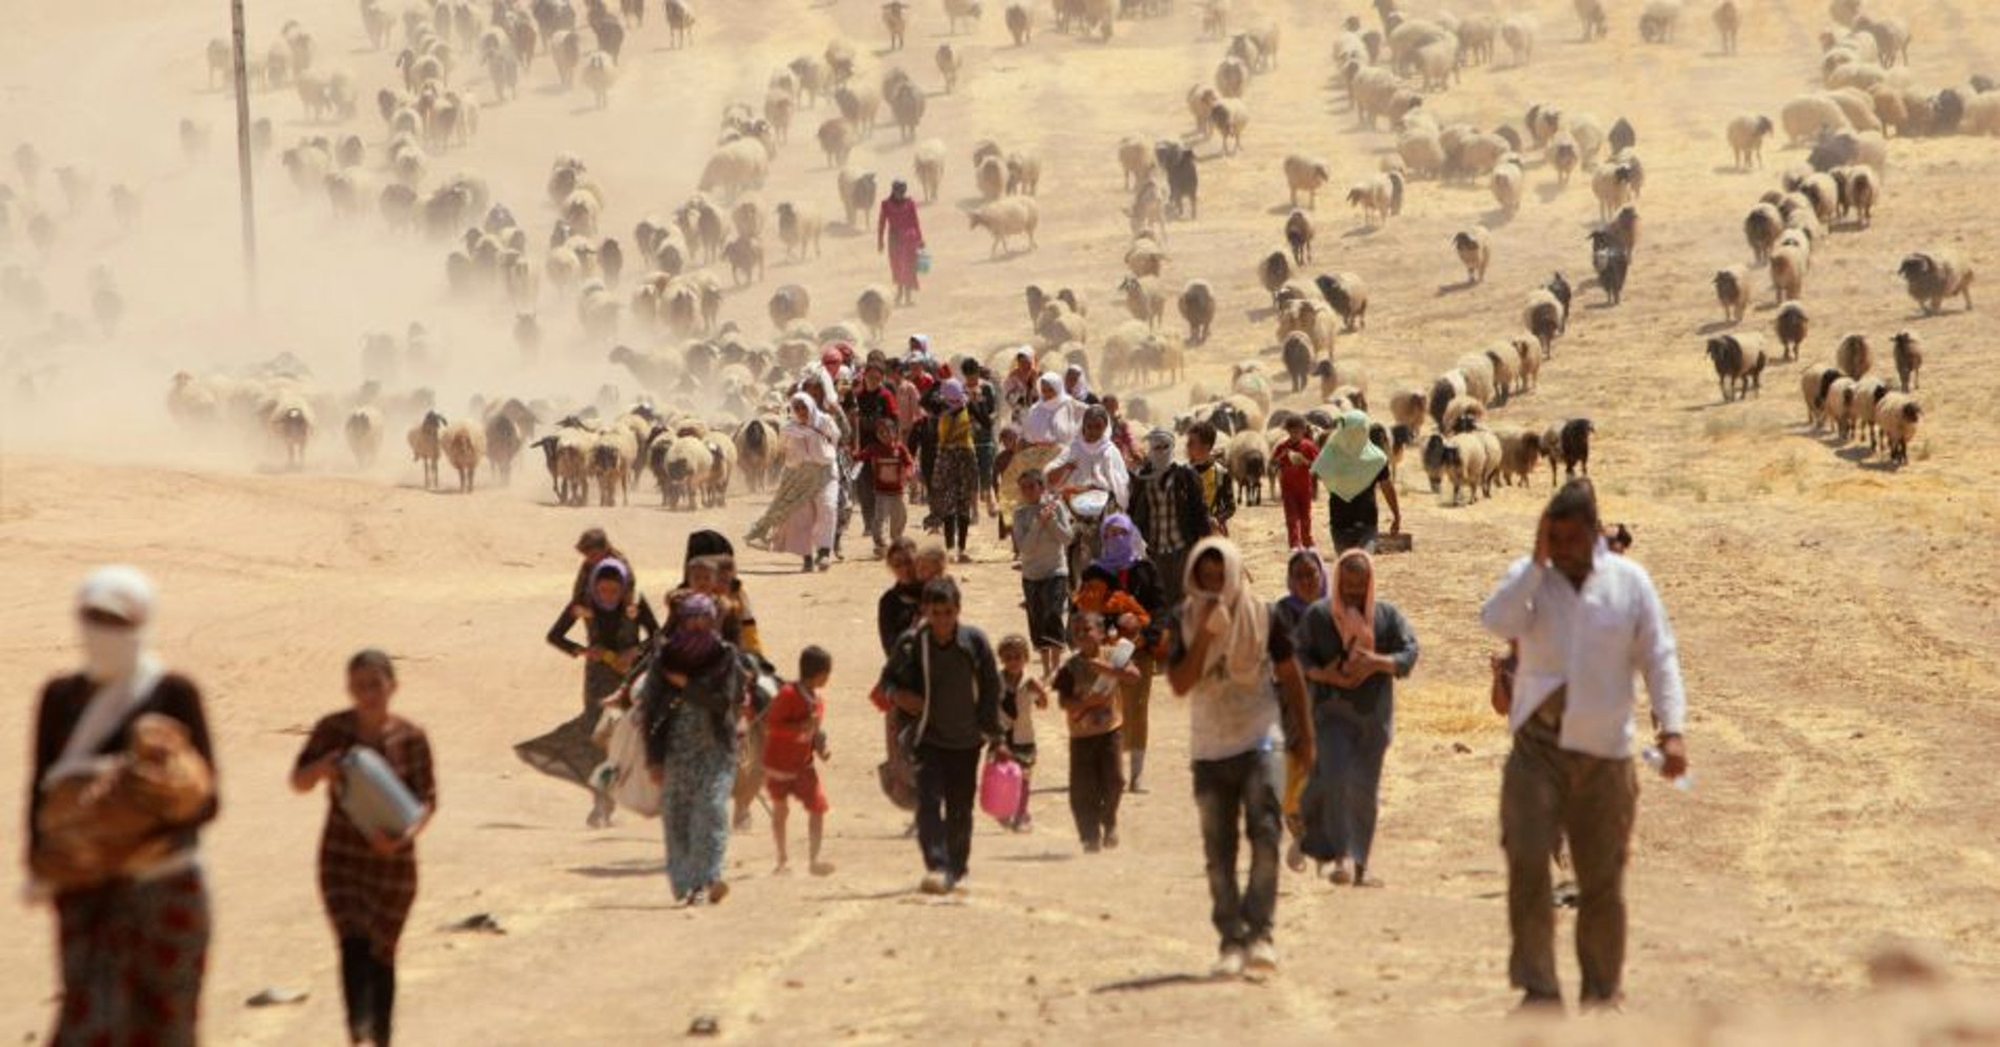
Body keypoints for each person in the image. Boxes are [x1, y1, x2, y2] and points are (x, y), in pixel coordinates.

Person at [1479, 480, 1689, 1012]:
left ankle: (1601, 991)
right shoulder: (1532, 581)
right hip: (1537, 749)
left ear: (1594, 532)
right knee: (1527, 862)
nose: (1564, 549)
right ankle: (1539, 990)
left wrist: (1672, 730)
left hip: (1605, 753)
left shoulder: (1629, 583)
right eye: (1554, 538)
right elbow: (1496, 620)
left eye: (1572, 537)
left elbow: (1659, 655)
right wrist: (1534, 563)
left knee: (1601, 878)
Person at [28, 567, 217, 1047]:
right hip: (85, 890)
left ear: (143, 622)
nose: (104, 632)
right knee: (86, 1026)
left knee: (166, 1028)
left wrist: (134, 825)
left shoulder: (173, 693)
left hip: (165, 887)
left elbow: (208, 801)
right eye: (95, 619)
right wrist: (42, 862)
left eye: (118, 621)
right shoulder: (60, 698)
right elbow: (40, 792)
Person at [1165, 539, 1314, 977]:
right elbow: (1180, 683)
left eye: (1221, 576)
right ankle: (1231, 939)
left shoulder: (1264, 615)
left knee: (1266, 835)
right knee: (1219, 851)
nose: (1215, 584)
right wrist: (1206, 634)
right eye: (1206, 577)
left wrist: (1305, 735)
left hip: (1260, 738)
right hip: (1210, 746)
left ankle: (1260, 933)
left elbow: (1290, 675)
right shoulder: (1184, 619)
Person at [291, 650, 438, 1047]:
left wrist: (401, 840)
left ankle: (381, 1037)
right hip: (342, 858)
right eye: (360, 686)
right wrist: (321, 768)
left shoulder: (411, 737)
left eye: (376, 684)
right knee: (352, 940)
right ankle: (358, 1035)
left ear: (393, 686)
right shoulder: (332, 730)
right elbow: (298, 782)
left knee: (383, 953)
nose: (368, 694)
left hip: (395, 865)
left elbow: (427, 802)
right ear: (349, 689)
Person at [1293, 550, 1418, 888]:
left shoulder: (1386, 617)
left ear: (1370, 584)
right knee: (1335, 779)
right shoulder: (1319, 617)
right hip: (1331, 715)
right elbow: (1298, 654)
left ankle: (1360, 863)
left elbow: (1409, 652)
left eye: (1360, 586)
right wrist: (1325, 674)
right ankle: (1341, 857)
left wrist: (1377, 663)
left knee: (1364, 791)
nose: (1353, 593)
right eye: (1347, 586)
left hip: (1373, 718)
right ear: (1337, 583)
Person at [876, 578, 1003, 894]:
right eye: (936, 613)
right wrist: (898, 695)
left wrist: (994, 734)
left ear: (958, 610)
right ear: (925, 612)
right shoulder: (911, 644)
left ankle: (958, 869)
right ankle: (937, 866)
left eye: (948, 612)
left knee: (960, 807)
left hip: (967, 740)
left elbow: (991, 687)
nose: (943, 620)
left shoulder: (974, 643)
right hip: (927, 738)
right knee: (929, 803)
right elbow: (888, 680)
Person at [643, 592, 747, 905]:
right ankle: (685, 882)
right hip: (676, 750)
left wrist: (686, 686)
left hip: (715, 748)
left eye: (704, 618)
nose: (698, 625)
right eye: (691, 618)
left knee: (711, 810)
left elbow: (723, 703)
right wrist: (653, 759)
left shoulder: (725, 656)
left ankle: (707, 880)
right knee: (678, 817)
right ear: (681, 620)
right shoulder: (665, 658)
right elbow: (651, 709)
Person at [539, 558, 657, 827]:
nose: (608, 596)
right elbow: (555, 636)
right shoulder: (584, 604)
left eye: (614, 590)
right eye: (602, 590)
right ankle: (601, 804)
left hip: (630, 678)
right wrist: (583, 650)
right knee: (599, 738)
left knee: (628, 737)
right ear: (594, 587)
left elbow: (658, 636)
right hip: (598, 681)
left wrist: (635, 651)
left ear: (624, 588)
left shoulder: (636, 605)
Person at [1080, 512, 1166, 792]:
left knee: (1137, 710)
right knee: (1105, 709)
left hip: (1139, 650)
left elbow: (1160, 609)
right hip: (1104, 652)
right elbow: (1084, 611)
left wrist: (1145, 636)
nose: (1115, 538)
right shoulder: (1094, 573)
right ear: (1103, 537)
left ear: (1131, 535)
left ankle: (1136, 773)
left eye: (1121, 533)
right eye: (1110, 533)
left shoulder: (1146, 569)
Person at [1054, 613, 1137, 852]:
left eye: (1087, 629)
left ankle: (1108, 820)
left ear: (1101, 633)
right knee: (1082, 788)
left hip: (1110, 730)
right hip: (1081, 736)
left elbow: (1134, 676)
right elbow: (1064, 701)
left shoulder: (1113, 656)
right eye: (1076, 631)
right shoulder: (1070, 666)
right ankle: (1089, 836)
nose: (1081, 635)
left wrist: (1107, 669)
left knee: (1115, 780)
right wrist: (1085, 704)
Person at [748, 392, 842, 571]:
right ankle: (807, 557)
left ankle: (824, 552)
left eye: (804, 407)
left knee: (827, 507)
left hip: (825, 472)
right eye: (797, 408)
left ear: (810, 406)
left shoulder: (825, 421)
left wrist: (823, 455)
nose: (801, 412)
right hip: (799, 475)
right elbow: (782, 449)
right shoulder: (789, 429)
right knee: (801, 516)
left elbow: (836, 438)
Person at [765, 646, 835, 876]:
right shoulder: (787, 695)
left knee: (818, 807)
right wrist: (799, 727)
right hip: (779, 763)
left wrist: (821, 748)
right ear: (819, 674)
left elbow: (815, 732)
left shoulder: (818, 701)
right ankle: (781, 859)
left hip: (804, 765)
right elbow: (771, 725)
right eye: (827, 673)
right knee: (781, 809)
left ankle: (814, 860)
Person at [1128, 428, 1212, 608]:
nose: (1161, 451)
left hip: (1182, 547)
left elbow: (1200, 509)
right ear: (1150, 449)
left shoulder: (1186, 474)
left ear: (1172, 447)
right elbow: (1134, 510)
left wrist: (1205, 543)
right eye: (1156, 447)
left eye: (1165, 446)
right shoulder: (1143, 477)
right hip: (1155, 550)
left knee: (1183, 599)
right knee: (1160, 600)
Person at [1000, 374, 1083, 534]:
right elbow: (1025, 436)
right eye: (1043, 390)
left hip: (1062, 456)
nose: (1047, 394)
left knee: (1064, 494)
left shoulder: (1070, 406)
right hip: (1036, 457)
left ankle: (1067, 530)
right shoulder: (1035, 410)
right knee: (1032, 494)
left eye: (1051, 390)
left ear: (1058, 389)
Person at [1011, 468, 1075, 678]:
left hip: (1056, 570)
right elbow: (1025, 548)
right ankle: (1046, 668)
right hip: (1031, 574)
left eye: (1032, 486)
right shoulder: (1019, 514)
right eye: (1023, 487)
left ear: (1042, 487)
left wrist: (1052, 522)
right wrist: (1039, 523)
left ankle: (1056, 667)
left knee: (1053, 613)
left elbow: (1067, 539)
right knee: (1037, 620)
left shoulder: (1057, 508)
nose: (1028, 491)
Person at [1310, 409, 1402, 553]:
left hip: (1362, 525)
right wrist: (1396, 516)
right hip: (1343, 526)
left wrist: (1396, 516)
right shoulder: (1331, 456)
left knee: (1360, 563)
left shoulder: (1376, 460)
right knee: (1350, 564)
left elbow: (1387, 487)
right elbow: (1314, 476)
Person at [994, 635, 1048, 832]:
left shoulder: (1030, 682)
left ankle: (1020, 815)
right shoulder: (996, 680)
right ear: (1002, 659)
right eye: (1008, 658)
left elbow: (1042, 705)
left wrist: (1041, 693)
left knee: (1023, 779)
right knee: (1003, 777)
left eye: (1017, 657)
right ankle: (1005, 811)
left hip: (1024, 738)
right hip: (1001, 738)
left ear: (1025, 658)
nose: (1013, 662)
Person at [930, 378, 980, 561]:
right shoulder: (939, 407)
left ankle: (961, 548)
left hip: (963, 459)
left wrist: (975, 402)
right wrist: (937, 384)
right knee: (949, 505)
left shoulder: (968, 408)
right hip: (949, 459)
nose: (953, 403)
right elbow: (925, 401)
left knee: (963, 505)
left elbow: (985, 421)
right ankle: (951, 548)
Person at [857, 417, 914, 554]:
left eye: (887, 431)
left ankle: (896, 541)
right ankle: (880, 543)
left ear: (894, 432)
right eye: (880, 432)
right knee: (880, 518)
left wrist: (909, 473)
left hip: (898, 491)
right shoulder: (874, 448)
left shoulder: (900, 448)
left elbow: (909, 463)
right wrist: (851, 453)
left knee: (899, 517)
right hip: (881, 491)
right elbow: (860, 456)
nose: (884, 435)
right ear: (877, 434)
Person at [1272, 417, 1321, 549]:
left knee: (1306, 517)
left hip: (1304, 489)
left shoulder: (1309, 446)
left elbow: (1318, 464)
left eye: (1298, 432)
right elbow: (1273, 464)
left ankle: (1307, 542)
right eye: (1292, 432)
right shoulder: (1282, 446)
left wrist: (1305, 461)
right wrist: (1282, 456)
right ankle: (1294, 544)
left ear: (1303, 431)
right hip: (1288, 489)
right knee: (1291, 518)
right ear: (1288, 431)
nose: (1295, 435)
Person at [963, 359, 1003, 521]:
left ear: (977, 373)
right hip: (967, 436)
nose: (971, 380)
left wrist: (988, 420)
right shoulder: (962, 390)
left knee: (986, 469)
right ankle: (974, 510)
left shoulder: (987, 388)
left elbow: (994, 411)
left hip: (985, 435)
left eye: (973, 376)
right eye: (968, 377)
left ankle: (989, 500)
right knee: (970, 473)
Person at [878, 179, 925, 305]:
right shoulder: (886, 205)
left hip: (909, 239)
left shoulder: (910, 203)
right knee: (897, 267)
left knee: (909, 267)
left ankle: (908, 298)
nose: (900, 195)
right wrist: (880, 241)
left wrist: (920, 239)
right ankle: (899, 294)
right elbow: (881, 223)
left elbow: (915, 222)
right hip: (895, 240)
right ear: (893, 191)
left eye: (902, 192)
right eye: (898, 192)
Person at [1184, 422, 1235, 538]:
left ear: (1206, 446)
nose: (1187, 446)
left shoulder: (1220, 473)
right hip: (1188, 536)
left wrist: (1217, 519)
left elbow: (1230, 507)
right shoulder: (1182, 473)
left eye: (1192, 443)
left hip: (1213, 535)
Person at [570, 528, 634, 605]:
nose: (589, 559)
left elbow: (628, 594)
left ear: (606, 549)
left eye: (594, 555)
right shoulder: (589, 563)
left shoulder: (620, 566)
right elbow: (578, 593)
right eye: (586, 555)